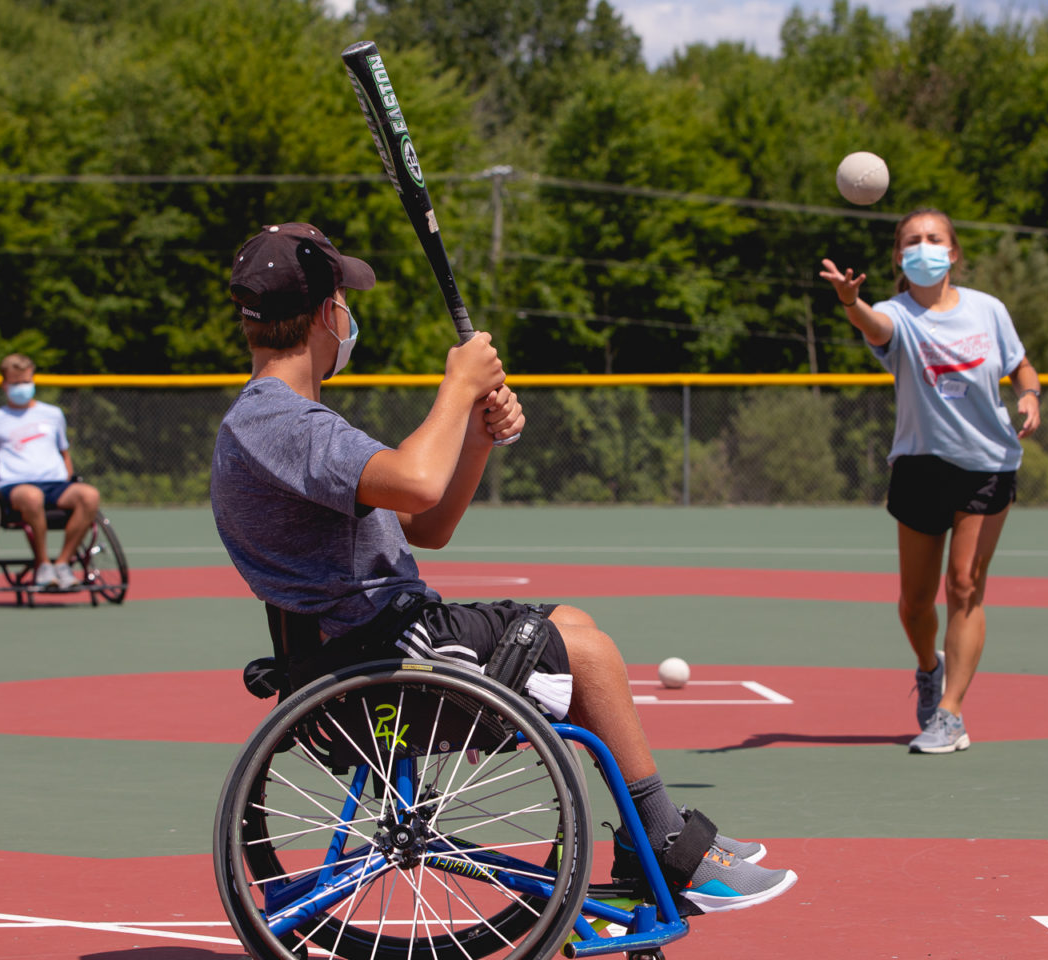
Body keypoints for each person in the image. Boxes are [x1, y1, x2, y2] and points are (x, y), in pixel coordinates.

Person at [211, 222, 796, 913]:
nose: (348, 316)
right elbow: (418, 483)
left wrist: (478, 439)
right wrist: (457, 387)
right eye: (343, 300)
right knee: (588, 654)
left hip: (371, 647)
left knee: (572, 626)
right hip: (379, 659)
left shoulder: (286, 422)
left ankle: (645, 841)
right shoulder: (283, 423)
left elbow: (427, 526)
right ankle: (668, 844)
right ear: (323, 315)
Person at [819, 208, 1041, 756]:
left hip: (988, 462)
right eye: (913, 241)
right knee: (916, 603)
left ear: (954, 252)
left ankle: (951, 713)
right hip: (921, 466)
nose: (924, 247)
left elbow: (1022, 366)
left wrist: (1031, 394)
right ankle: (928, 668)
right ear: (899, 257)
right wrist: (851, 301)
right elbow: (875, 326)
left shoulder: (988, 310)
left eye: (934, 238)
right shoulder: (897, 315)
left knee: (964, 585)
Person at [0, 354, 103, 591]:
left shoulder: (52, 414)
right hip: (16, 486)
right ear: (4, 385)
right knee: (32, 496)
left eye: (26, 381)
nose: (22, 387)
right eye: (15, 383)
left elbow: (64, 454)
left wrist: (67, 478)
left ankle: (62, 564)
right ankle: (42, 564)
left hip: (55, 484)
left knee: (89, 495)